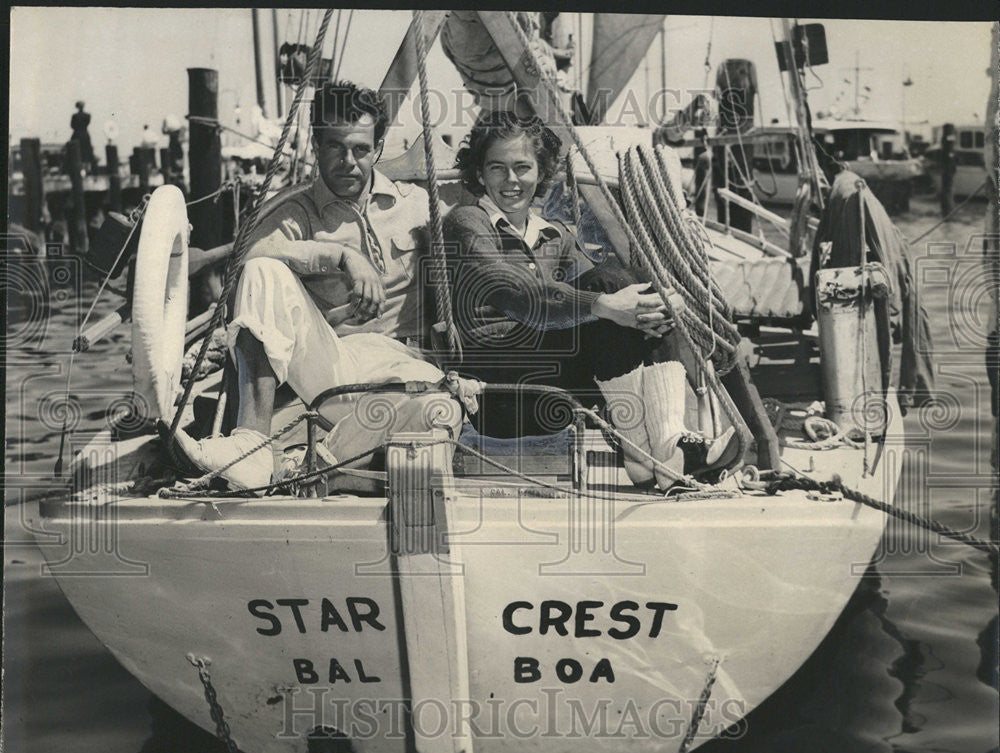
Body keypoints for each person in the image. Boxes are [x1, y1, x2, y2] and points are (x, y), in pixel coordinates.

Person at [168, 81, 466, 490]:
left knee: (437, 401)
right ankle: (251, 445)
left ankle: (316, 467)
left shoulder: (416, 204)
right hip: (332, 365)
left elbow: (485, 217)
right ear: (316, 144)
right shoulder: (295, 213)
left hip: (402, 364)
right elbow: (252, 256)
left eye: (361, 149)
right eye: (335, 147)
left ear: (378, 147)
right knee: (263, 270)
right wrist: (339, 256)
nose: (348, 161)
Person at [443, 111, 739, 489]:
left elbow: (612, 291)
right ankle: (662, 451)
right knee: (610, 285)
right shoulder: (466, 222)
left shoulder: (555, 235)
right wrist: (605, 304)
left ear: (541, 172)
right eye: (497, 168)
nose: (511, 180)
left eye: (522, 167)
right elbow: (515, 294)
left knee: (636, 290)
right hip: (497, 392)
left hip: (554, 386)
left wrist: (658, 303)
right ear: (480, 174)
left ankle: (655, 456)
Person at [70, 101, 95, 170]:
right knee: (86, 152)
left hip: (77, 135)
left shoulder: (74, 116)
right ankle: (87, 169)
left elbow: (72, 126)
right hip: (85, 135)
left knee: (76, 151)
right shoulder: (87, 116)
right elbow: (87, 123)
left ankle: (78, 168)